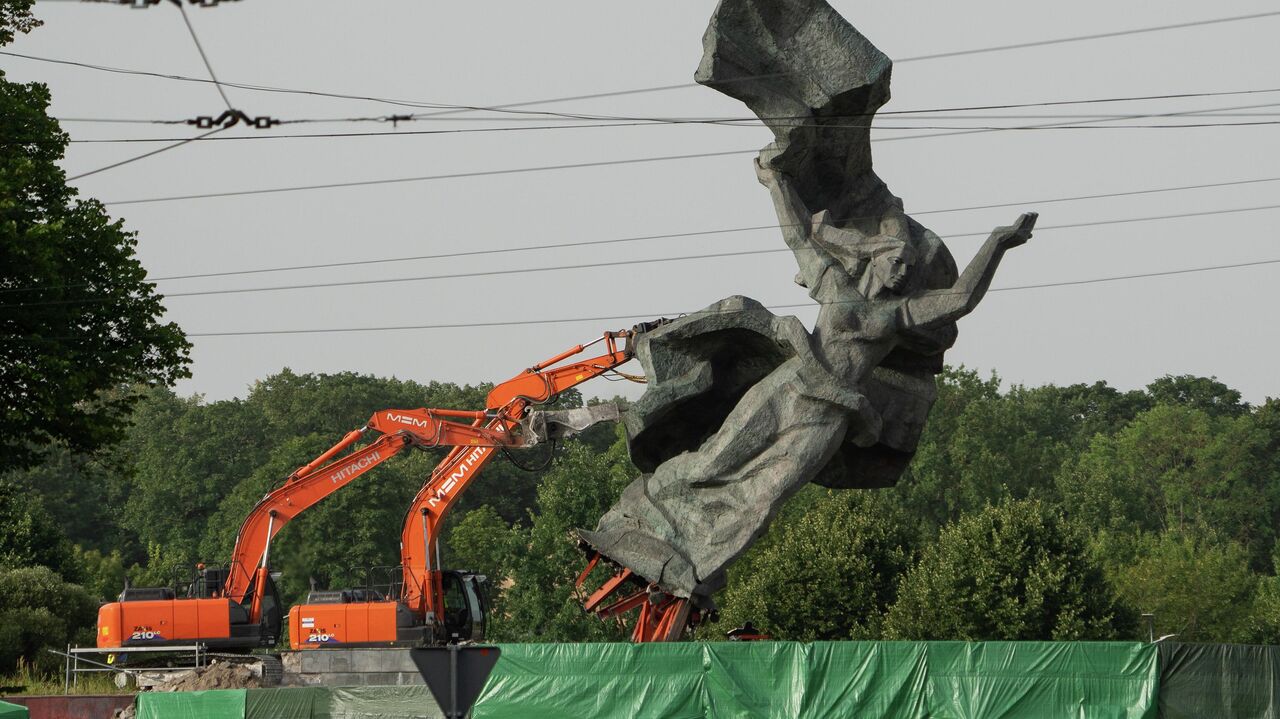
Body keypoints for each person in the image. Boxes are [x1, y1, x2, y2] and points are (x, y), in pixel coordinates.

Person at [579, 156, 1036, 608]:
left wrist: (998, 243)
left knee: (764, 501)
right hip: (787, 393)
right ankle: (638, 518)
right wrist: (775, 182)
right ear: (874, 259)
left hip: (827, 420)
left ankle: (699, 565)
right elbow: (797, 234)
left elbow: (960, 299)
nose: (902, 272)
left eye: (908, 267)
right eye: (896, 261)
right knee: (711, 463)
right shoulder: (835, 283)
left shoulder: (899, 315)